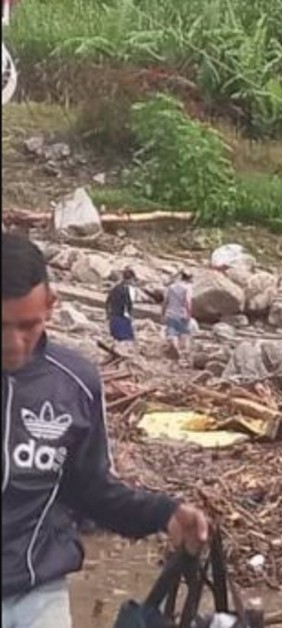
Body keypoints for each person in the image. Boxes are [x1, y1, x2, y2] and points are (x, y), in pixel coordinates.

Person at [2, 233, 209, 628]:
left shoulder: (75, 384)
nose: (13, 343)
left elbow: (91, 489)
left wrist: (163, 513)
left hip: (38, 595)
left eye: (27, 325)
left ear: (50, 306)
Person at [162, 271, 193, 366]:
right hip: (182, 314)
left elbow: (165, 301)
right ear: (189, 279)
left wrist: (162, 313)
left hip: (171, 314)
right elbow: (187, 302)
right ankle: (182, 356)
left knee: (172, 333)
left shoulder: (171, 287)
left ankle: (174, 348)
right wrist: (189, 314)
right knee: (184, 335)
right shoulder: (187, 288)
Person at [105, 269, 137, 346]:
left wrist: (108, 314)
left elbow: (108, 302)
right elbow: (129, 305)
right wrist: (131, 316)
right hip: (123, 317)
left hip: (114, 316)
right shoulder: (129, 289)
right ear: (131, 279)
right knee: (126, 339)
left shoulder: (115, 288)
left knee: (116, 338)